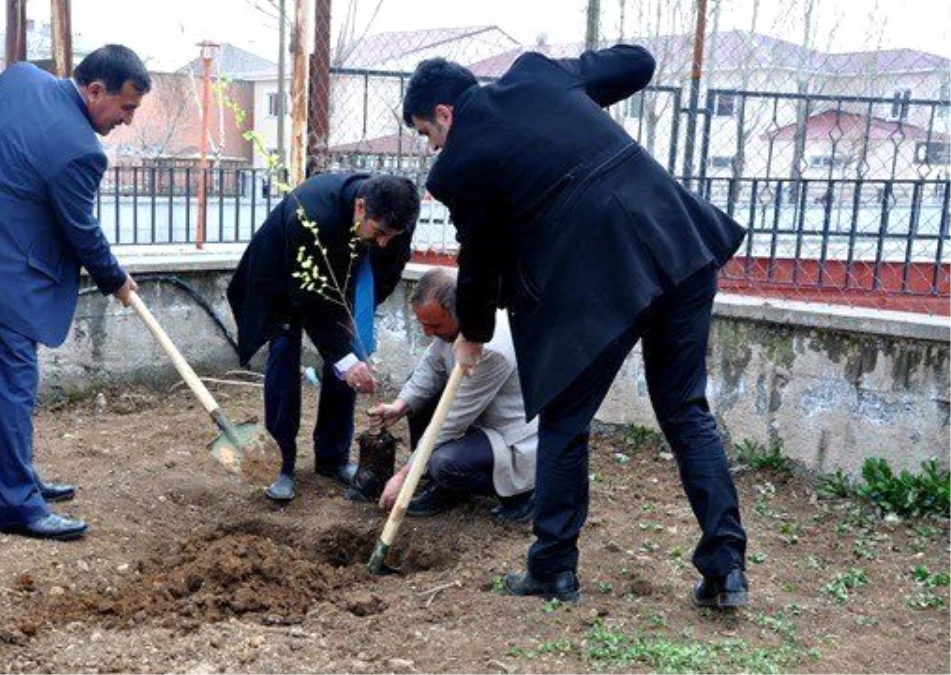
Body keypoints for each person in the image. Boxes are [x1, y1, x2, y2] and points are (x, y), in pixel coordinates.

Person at [403, 46, 750, 608]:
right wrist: (575, 90)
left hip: (597, 285)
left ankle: (553, 569)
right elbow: (638, 62)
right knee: (686, 410)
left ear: (444, 113)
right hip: (678, 242)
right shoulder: (537, 75)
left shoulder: (458, 164)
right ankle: (726, 569)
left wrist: (474, 330)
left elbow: (482, 255)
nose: (431, 147)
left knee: (564, 422)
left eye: (426, 132)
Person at [0, 44, 149, 541]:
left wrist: (6, 126)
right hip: (0, 276)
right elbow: (80, 230)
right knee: (10, 386)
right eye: (126, 108)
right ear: (94, 91)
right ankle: (17, 506)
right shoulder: (81, 151)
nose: (127, 121)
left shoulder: (20, 80)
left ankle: (11, 481)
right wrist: (114, 279)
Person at [227, 171, 420, 502]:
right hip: (281, 277)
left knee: (348, 354)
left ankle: (331, 458)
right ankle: (281, 464)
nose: (386, 240)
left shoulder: (396, 213)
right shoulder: (311, 214)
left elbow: (389, 268)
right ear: (360, 207)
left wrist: (358, 318)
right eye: (381, 233)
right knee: (286, 350)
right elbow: (308, 300)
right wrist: (345, 359)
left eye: (393, 234)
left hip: (337, 275)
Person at [372, 267, 537, 522]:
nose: (427, 332)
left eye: (434, 325)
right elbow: (430, 368)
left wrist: (405, 475)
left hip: (510, 436)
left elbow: (450, 419)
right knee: (419, 399)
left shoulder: (492, 348)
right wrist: (400, 406)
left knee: (444, 463)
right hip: (479, 419)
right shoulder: (455, 327)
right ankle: (439, 482)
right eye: (423, 324)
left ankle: (525, 493)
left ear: (458, 311)